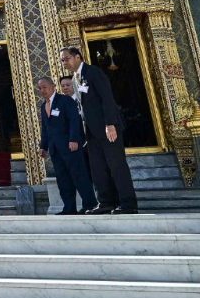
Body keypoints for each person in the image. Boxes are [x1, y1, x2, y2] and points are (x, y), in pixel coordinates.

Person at [59, 46, 136, 214]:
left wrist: (110, 124)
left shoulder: (93, 72)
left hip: (107, 128)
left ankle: (128, 204)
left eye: (67, 59)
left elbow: (107, 98)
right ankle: (106, 202)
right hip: (91, 132)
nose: (64, 62)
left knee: (117, 166)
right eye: (62, 60)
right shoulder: (75, 78)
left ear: (78, 57)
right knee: (98, 168)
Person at [37, 77, 95, 215]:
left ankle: (90, 205)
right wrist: (43, 146)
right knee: (63, 180)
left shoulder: (65, 100)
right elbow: (45, 128)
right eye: (40, 88)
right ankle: (69, 208)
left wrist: (74, 139)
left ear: (53, 86)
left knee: (79, 176)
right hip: (55, 150)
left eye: (45, 87)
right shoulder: (43, 106)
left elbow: (74, 120)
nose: (42, 90)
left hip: (70, 146)